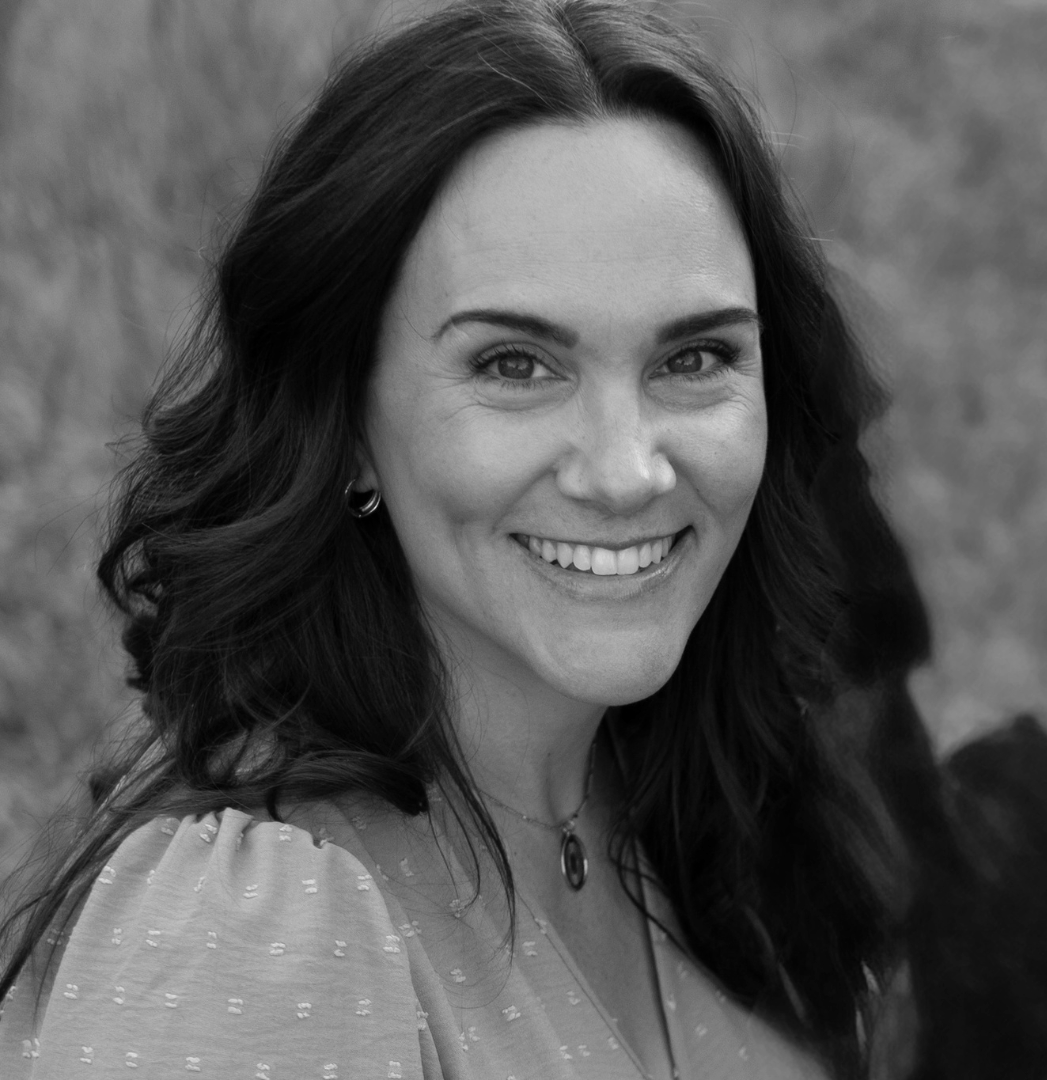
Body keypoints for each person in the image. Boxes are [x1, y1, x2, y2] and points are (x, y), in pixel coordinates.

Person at [0, 1, 935, 1077]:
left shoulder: (710, 810)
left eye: (694, 359)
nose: (627, 470)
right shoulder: (257, 932)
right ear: (344, 426)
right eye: (515, 367)